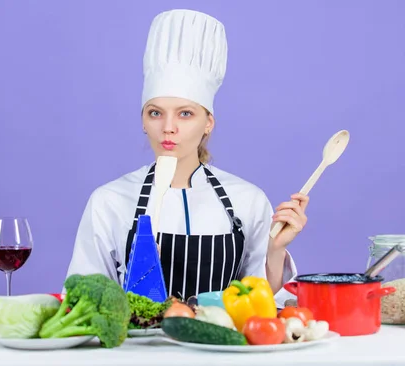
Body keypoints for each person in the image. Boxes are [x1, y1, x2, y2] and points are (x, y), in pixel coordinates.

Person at [64, 9, 308, 307]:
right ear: (143, 120)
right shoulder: (109, 201)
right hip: (134, 353)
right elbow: (80, 302)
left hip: (221, 349)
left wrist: (275, 252)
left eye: (185, 113)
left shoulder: (248, 200)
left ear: (208, 123)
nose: (168, 127)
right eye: (155, 113)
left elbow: (264, 306)